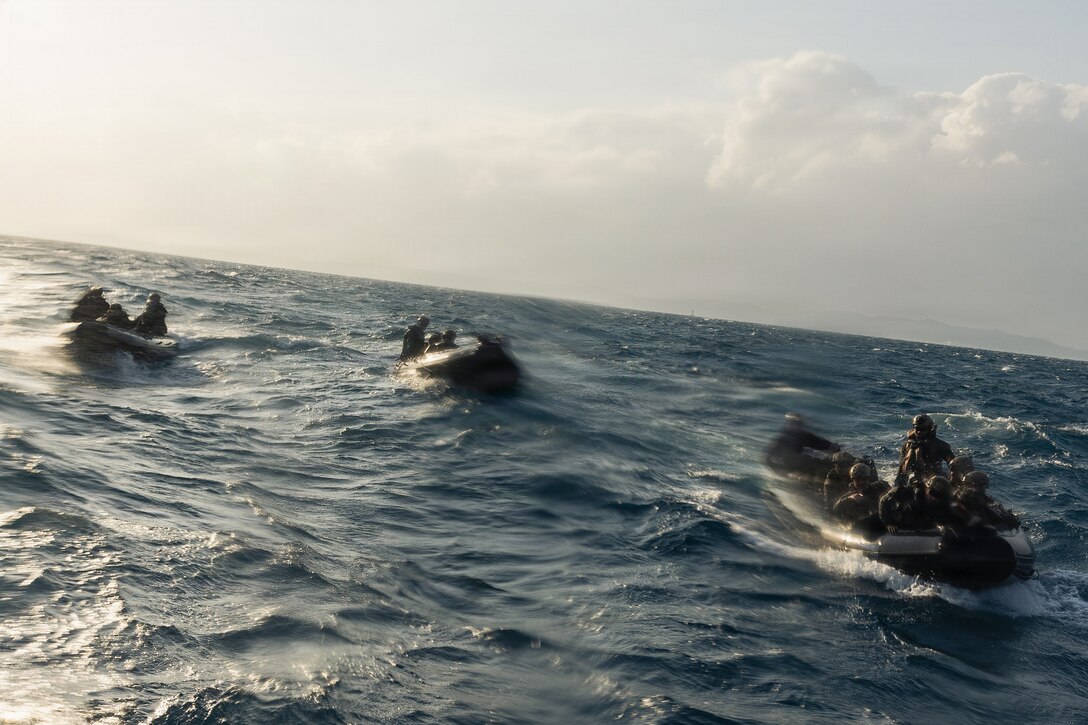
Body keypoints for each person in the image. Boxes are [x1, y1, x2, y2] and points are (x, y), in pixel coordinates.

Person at [765, 413, 840, 478]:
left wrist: (830, 445)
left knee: (822, 462)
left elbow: (816, 442)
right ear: (790, 424)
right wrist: (779, 471)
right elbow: (768, 457)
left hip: (799, 462)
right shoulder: (782, 439)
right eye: (794, 423)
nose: (797, 426)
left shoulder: (802, 435)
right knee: (813, 462)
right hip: (790, 466)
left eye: (799, 424)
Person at [896, 413, 956, 485]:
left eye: (923, 429)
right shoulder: (908, 446)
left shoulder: (940, 445)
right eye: (917, 428)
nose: (919, 432)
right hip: (914, 478)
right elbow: (901, 470)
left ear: (929, 429)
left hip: (935, 478)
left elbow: (954, 465)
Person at [951, 471, 1020, 529]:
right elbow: (996, 519)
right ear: (980, 486)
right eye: (983, 486)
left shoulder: (955, 498)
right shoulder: (977, 503)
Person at [832, 463, 888, 530]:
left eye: (864, 479)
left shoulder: (878, 489)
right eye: (858, 480)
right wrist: (848, 499)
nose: (861, 482)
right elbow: (835, 509)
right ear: (853, 480)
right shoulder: (851, 494)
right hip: (860, 526)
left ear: (869, 479)